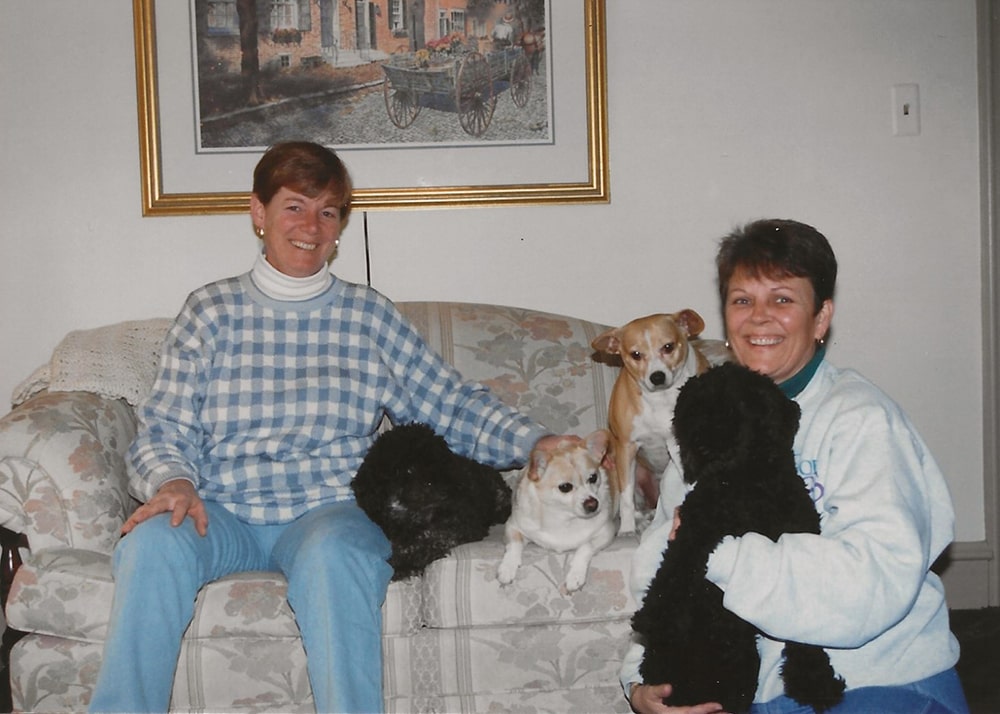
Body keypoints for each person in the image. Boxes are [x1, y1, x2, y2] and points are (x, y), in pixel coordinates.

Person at [89, 141, 568, 714]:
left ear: (341, 224)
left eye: (329, 211)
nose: (310, 227)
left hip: (329, 510)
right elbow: (167, 422)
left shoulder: (368, 317)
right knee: (150, 545)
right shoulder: (209, 311)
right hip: (221, 509)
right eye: (294, 206)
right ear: (258, 213)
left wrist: (537, 442)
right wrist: (173, 480)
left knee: (336, 557)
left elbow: (450, 405)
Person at [620, 218, 969, 714]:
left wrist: (715, 549)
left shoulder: (861, 419)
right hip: (756, 690)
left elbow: (871, 583)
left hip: (875, 678)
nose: (758, 318)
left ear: (821, 317)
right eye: (742, 300)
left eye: (782, 299)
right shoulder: (711, 417)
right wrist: (640, 679)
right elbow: (664, 562)